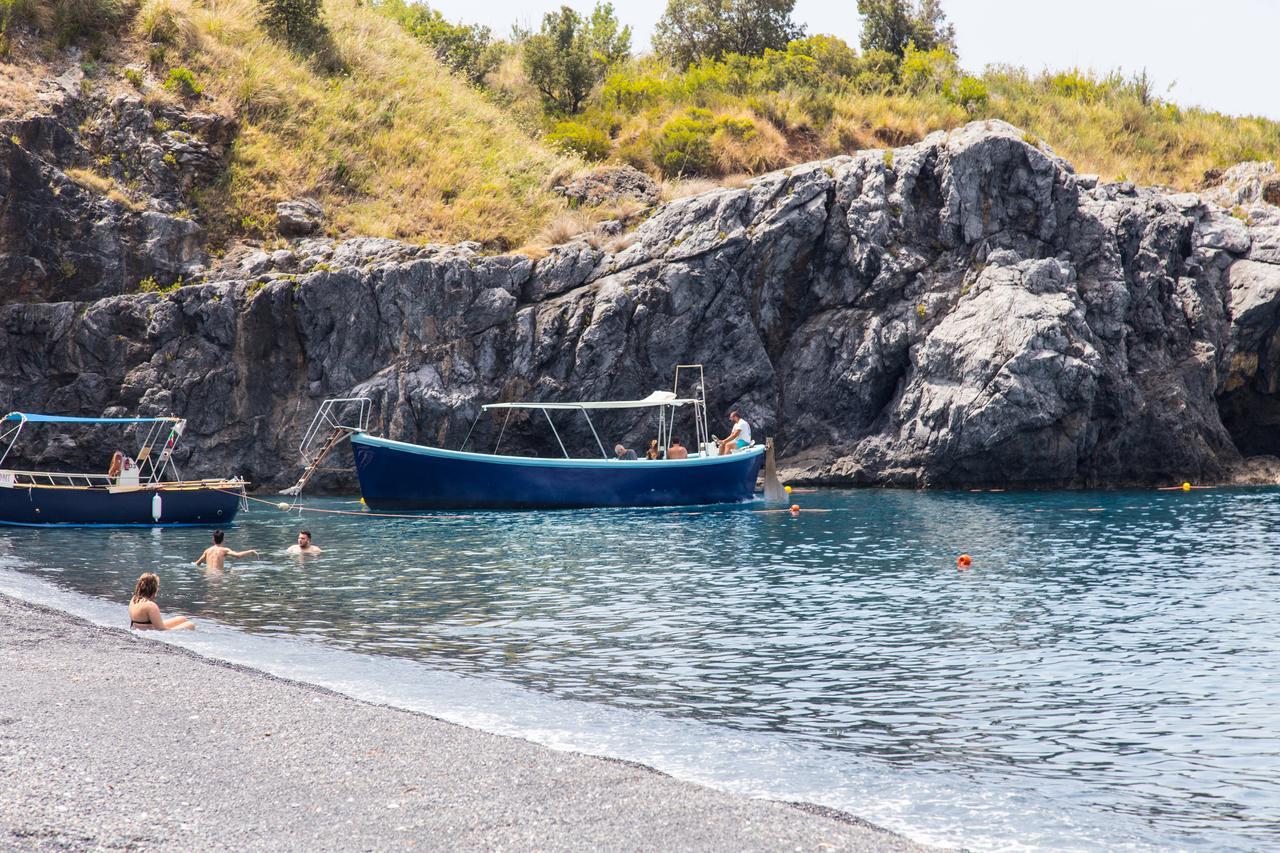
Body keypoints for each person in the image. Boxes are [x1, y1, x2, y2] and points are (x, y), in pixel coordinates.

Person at [128, 572, 194, 631]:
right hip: (150, 631)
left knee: (182, 619)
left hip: (140, 627)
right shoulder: (150, 605)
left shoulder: (134, 599)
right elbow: (161, 629)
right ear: (153, 588)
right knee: (190, 625)